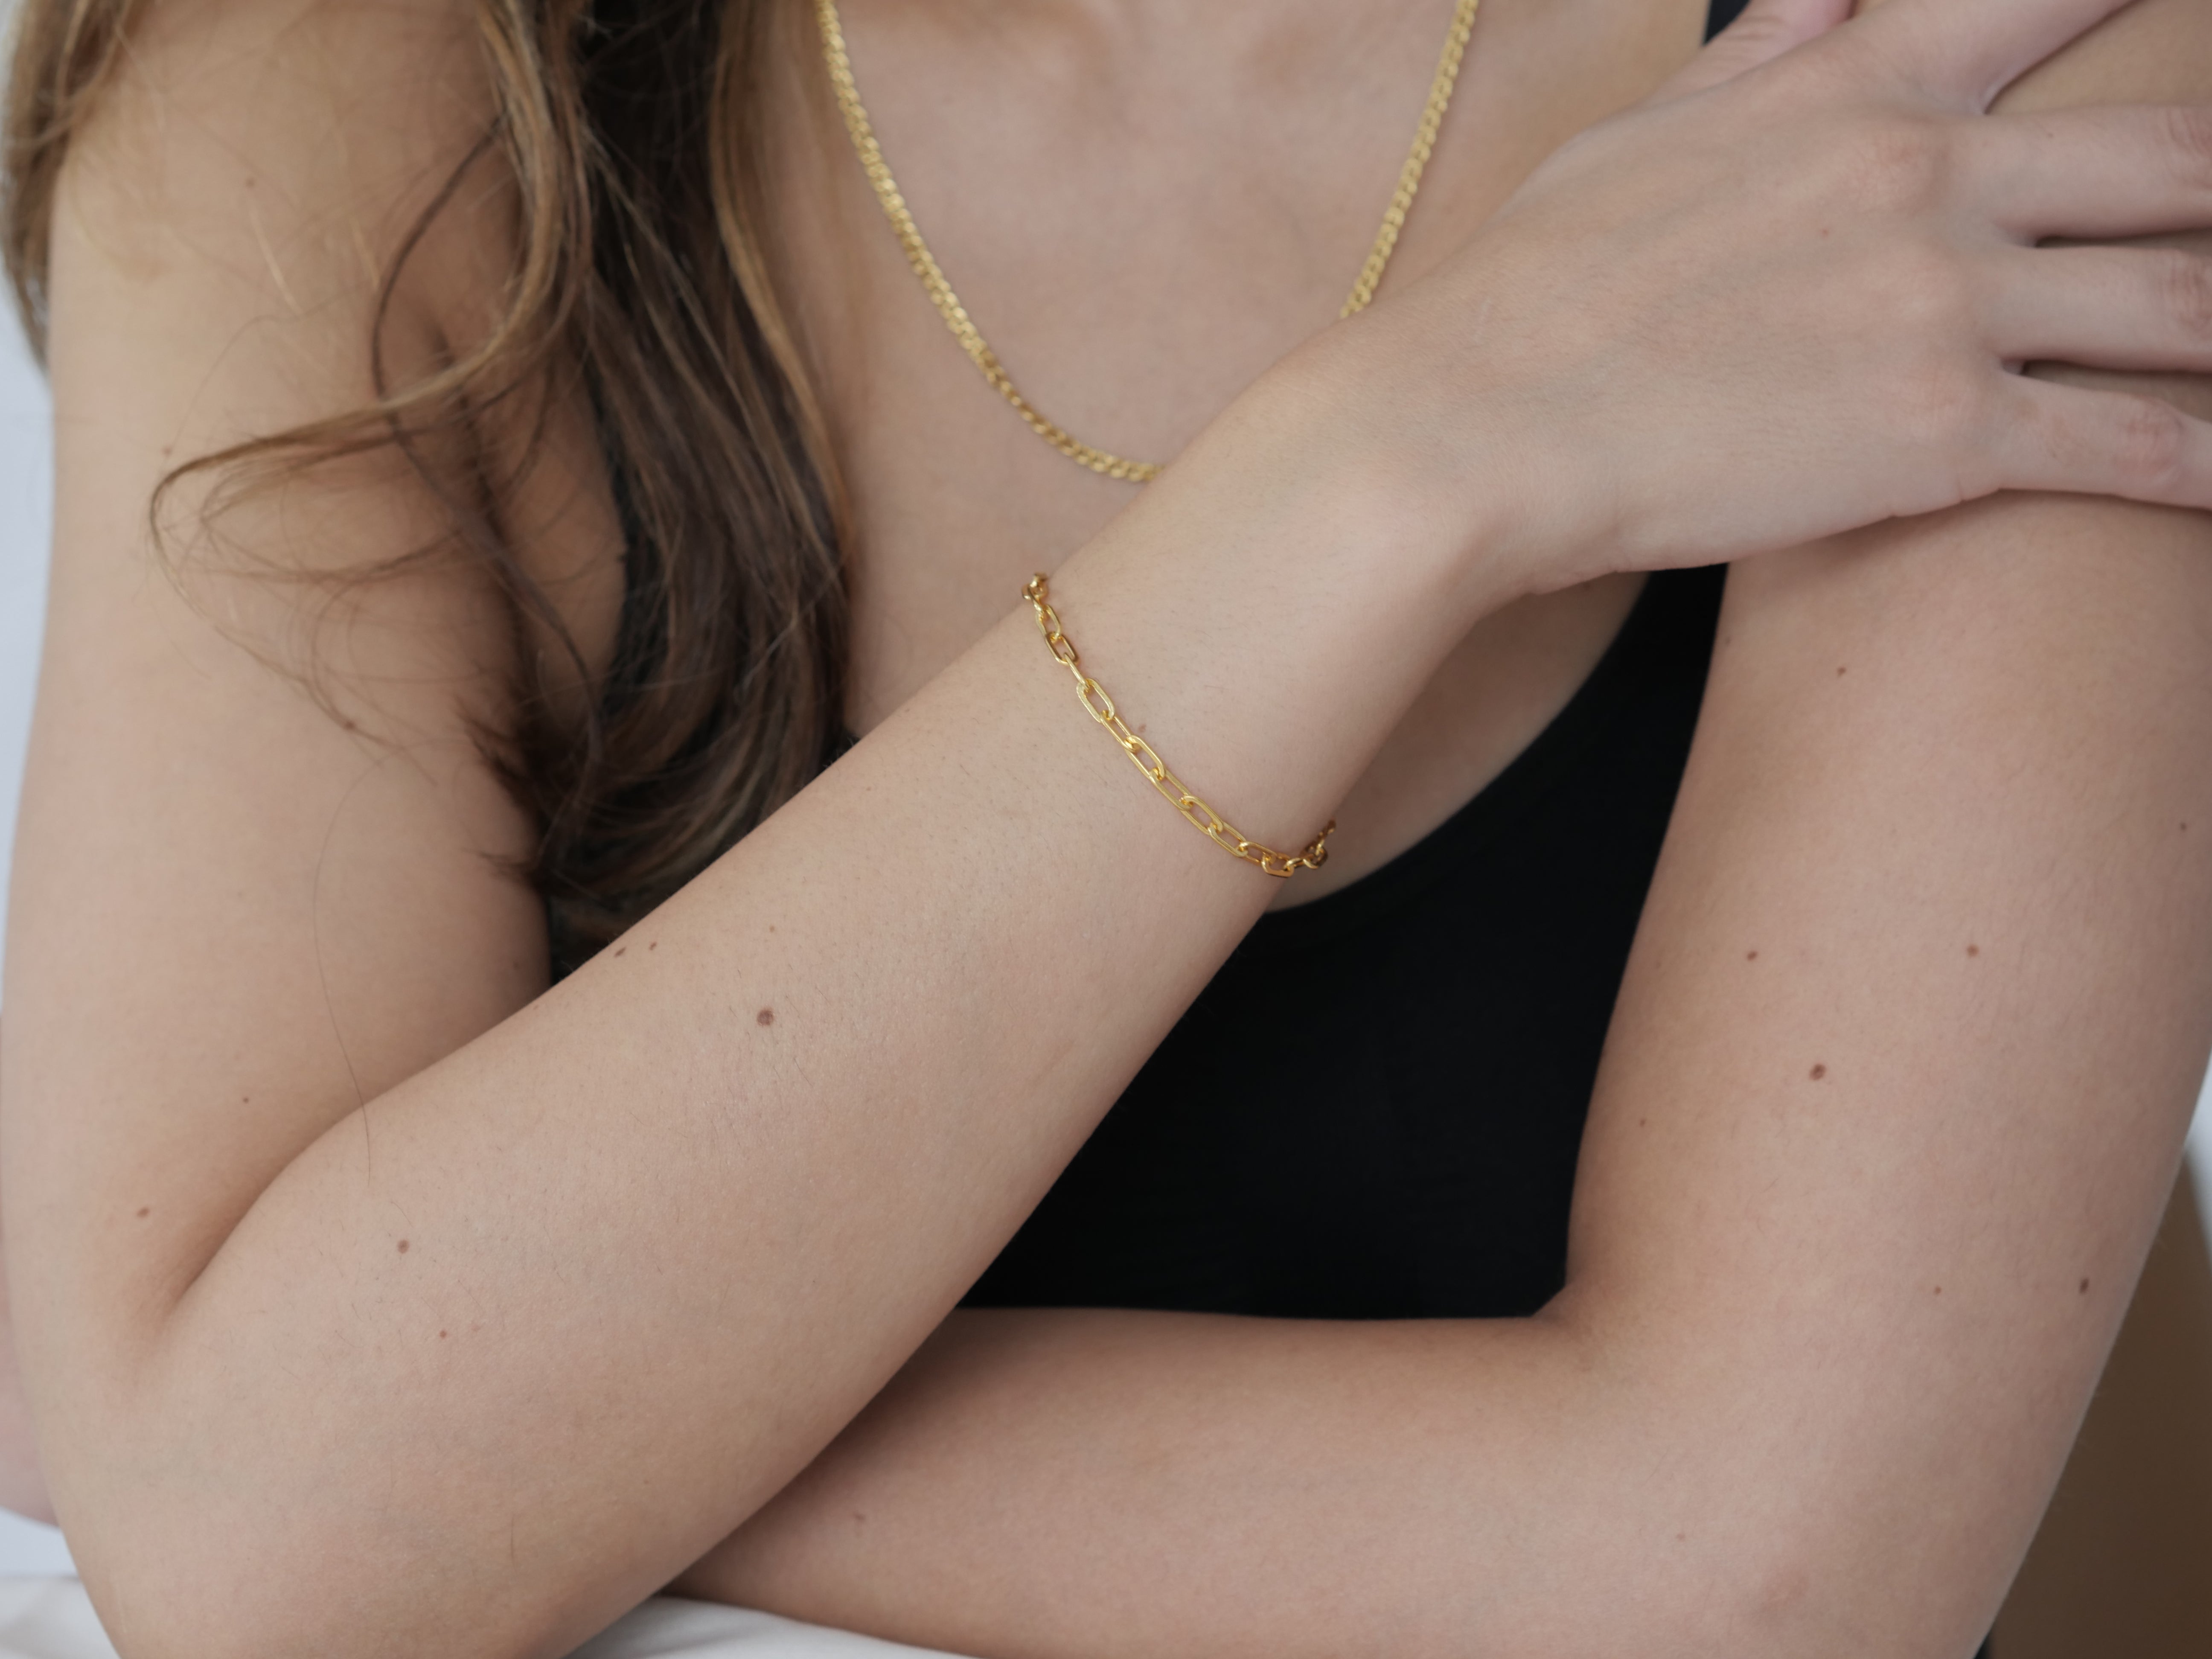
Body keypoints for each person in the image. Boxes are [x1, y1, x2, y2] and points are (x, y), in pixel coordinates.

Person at [2, 0, 2212, 1653]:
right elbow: (246, 1504)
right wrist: (1390, 468)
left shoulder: (1990, 66)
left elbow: (1755, 1576)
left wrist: (467, 1443)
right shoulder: (337, 65)